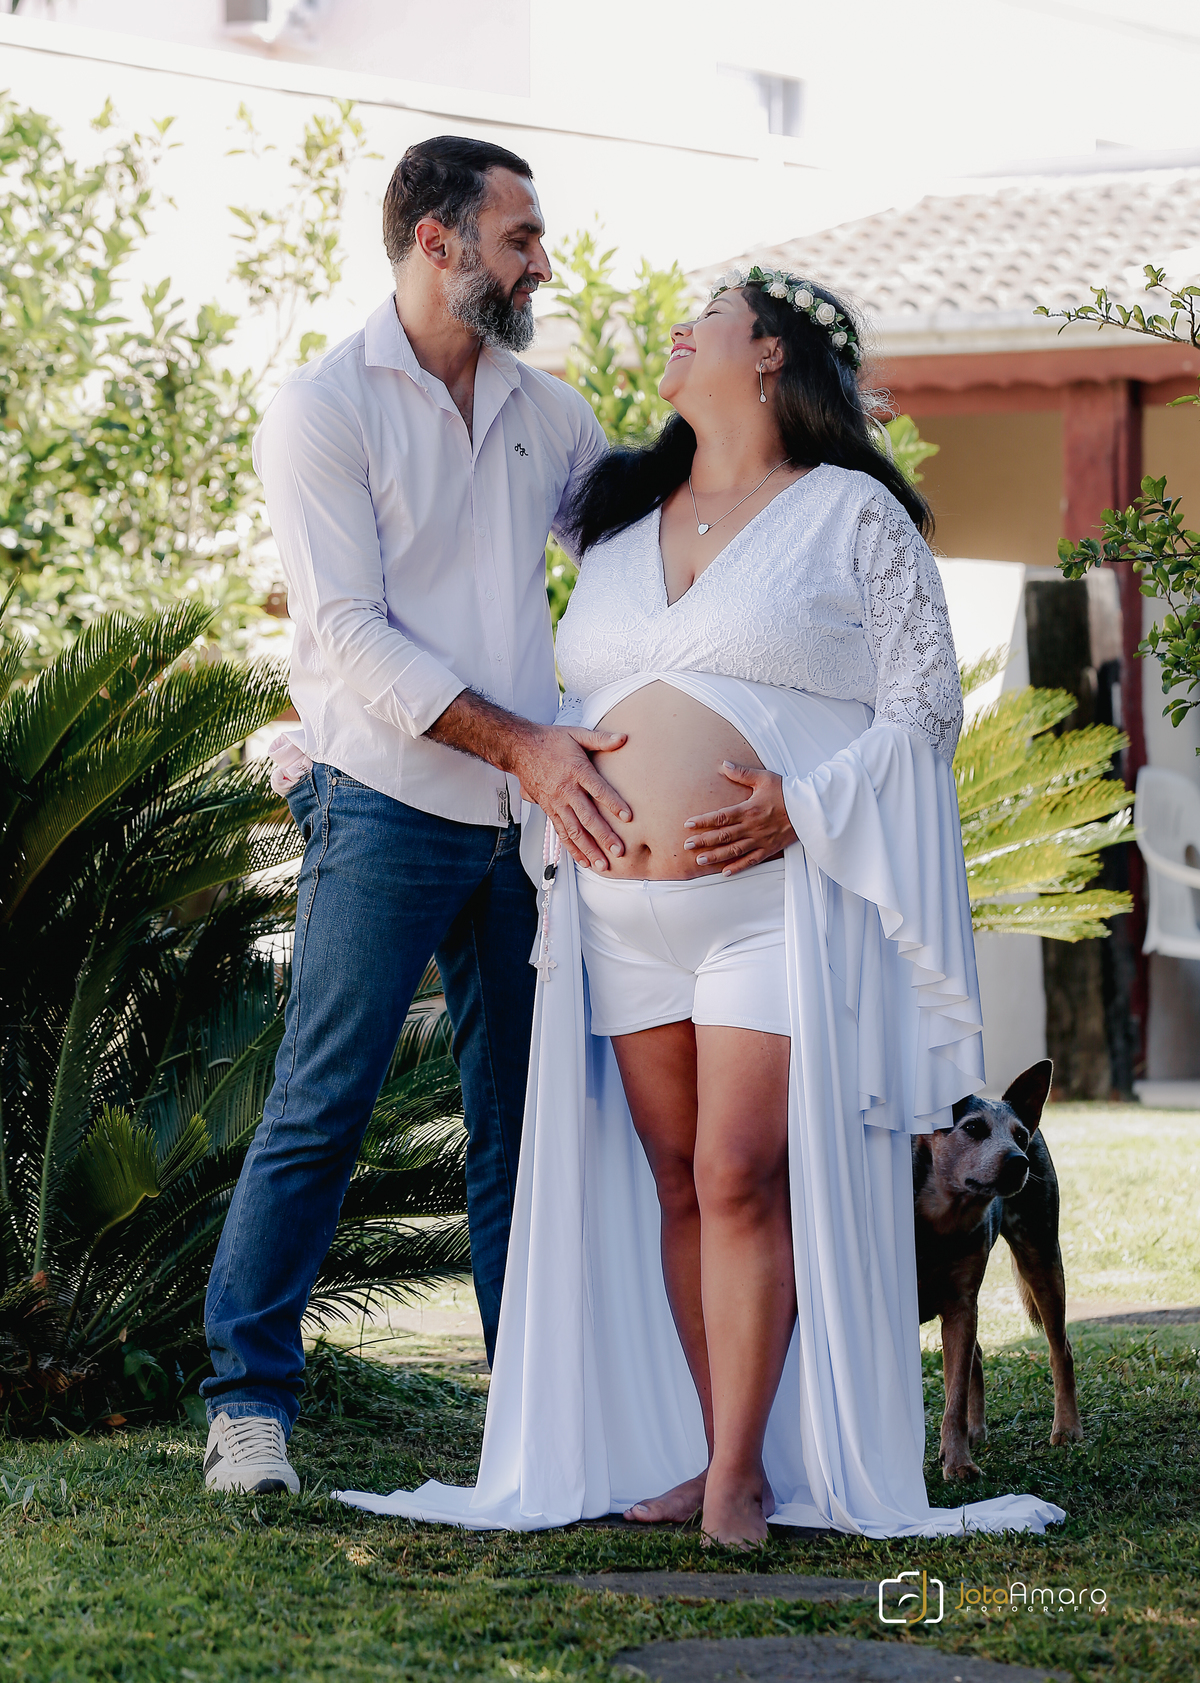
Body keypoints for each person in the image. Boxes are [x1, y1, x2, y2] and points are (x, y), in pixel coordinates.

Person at [337, 265, 1065, 1543]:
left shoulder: (850, 513)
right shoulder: (620, 524)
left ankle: (737, 1476)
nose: (682, 324)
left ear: (771, 352)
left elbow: (923, 708)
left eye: (711, 314)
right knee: (678, 1184)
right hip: (617, 920)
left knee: (738, 1172)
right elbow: (567, 679)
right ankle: (712, 1447)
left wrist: (805, 805)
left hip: (771, 905)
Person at [200, 136, 632, 1497]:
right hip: (384, 803)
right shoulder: (322, 409)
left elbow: (636, 563)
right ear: (436, 244)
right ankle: (247, 1404)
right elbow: (348, 634)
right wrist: (530, 746)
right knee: (323, 1104)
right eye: (520, 238)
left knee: (520, 1122)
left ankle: (532, 1417)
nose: (542, 264)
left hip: (529, 826)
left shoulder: (549, 411)